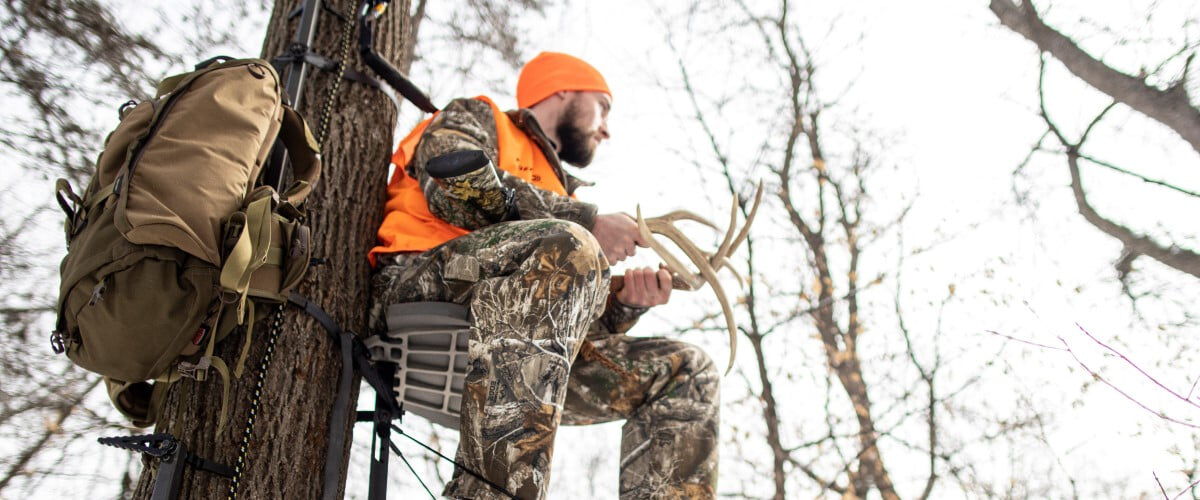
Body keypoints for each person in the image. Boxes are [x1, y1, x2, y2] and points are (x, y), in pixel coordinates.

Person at [369, 52, 719, 500]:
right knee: (570, 247)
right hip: (418, 290)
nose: (607, 128)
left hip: (513, 351)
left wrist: (625, 303)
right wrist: (585, 222)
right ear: (564, 89)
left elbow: (560, 331)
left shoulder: (558, 196)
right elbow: (452, 183)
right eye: (603, 106)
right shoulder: (481, 117)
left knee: (687, 371)